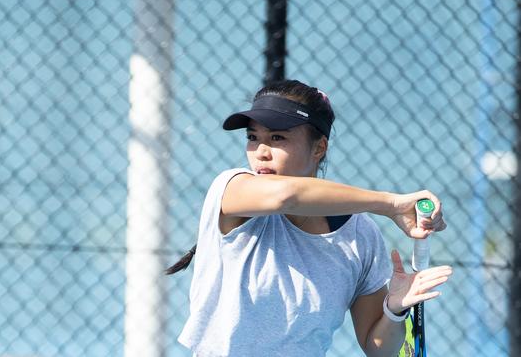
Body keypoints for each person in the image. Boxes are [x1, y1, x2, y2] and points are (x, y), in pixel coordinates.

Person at [167, 80, 452, 357]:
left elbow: (378, 348)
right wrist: (390, 204)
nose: (261, 153)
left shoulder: (360, 235)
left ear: (319, 148)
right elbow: (285, 196)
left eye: (277, 137)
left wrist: (395, 309)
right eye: (253, 138)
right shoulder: (231, 188)